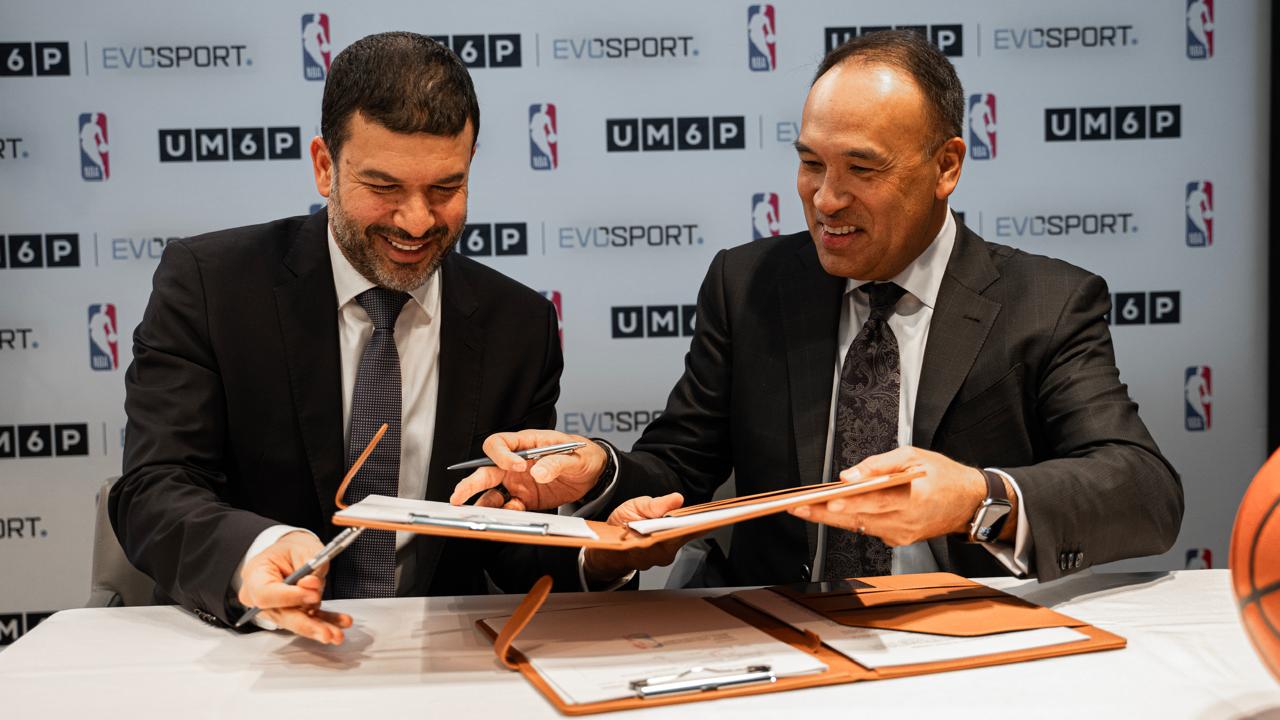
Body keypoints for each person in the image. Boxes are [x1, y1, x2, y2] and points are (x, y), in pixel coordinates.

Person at [451, 30, 1183, 587]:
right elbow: (678, 467)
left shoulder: (1045, 304)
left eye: (862, 168)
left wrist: (977, 498)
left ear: (946, 166)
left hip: (965, 647)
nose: (826, 199)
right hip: (780, 634)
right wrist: (601, 471)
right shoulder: (749, 285)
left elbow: (1145, 491)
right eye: (810, 163)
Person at [110, 32, 580, 645]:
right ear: (324, 166)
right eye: (384, 187)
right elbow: (153, 487)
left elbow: (511, 543)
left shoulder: (520, 324)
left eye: (446, 188)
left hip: (438, 658)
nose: (417, 221)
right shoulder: (210, 286)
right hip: (249, 645)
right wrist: (256, 552)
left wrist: (602, 558)